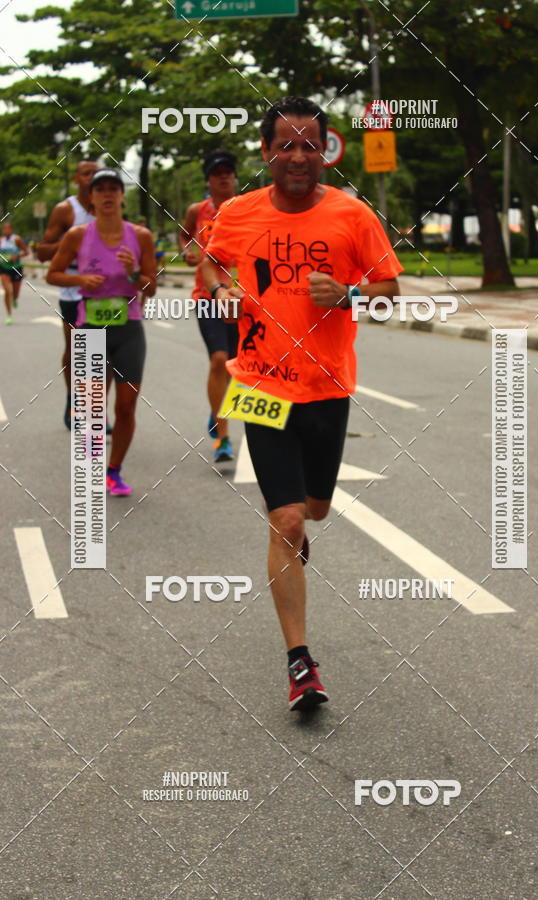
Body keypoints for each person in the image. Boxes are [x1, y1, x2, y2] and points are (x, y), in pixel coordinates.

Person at [202, 97, 401, 712]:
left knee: (314, 511)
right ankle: (300, 663)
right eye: (285, 145)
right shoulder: (237, 214)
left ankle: (298, 528)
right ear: (266, 154)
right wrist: (221, 286)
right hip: (260, 386)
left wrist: (346, 293)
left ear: (324, 153)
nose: (297, 156)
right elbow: (209, 264)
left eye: (308, 145)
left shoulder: (352, 215)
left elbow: (389, 292)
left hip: (328, 388)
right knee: (284, 519)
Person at [46, 168, 156, 496]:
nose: (107, 195)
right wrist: (79, 280)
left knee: (125, 406)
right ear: (91, 198)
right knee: (94, 407)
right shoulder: (78, 235)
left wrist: (133, 272)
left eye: (113, 189)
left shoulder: (140, 236)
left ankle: (114, 471)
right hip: (90, 325)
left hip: (129, 327)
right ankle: (93, 469)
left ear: (122, 196)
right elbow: (52, 274)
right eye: (101, 190)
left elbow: (150, 289)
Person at [180, 149, 238, 463]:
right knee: (218, 359)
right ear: (209, 180)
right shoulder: (197, 210)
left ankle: (217, 414)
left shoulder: (247, 208)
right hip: (207, 296)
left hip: (241, 299)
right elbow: (185, 237)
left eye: (229, 171)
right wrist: (188, 251)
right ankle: (224, 440)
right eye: (218, 173)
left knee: (234, 364)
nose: (225, 176)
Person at [37, 159, 99, 428]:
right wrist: (71, 239)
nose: (92, 179)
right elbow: (42, 252)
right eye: (86, 174)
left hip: (103, 290)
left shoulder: (109, 207)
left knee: (100, 352)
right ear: (77, 178)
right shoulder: (65, 210)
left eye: (96, 174)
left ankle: (93, 408)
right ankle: (73, 400)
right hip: (72, 288)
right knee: (77, 349)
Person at [0, 222, 28, 324]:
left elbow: (26, 252)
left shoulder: (17, 239)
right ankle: (9, 315)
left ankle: (15, 299)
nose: (5, 230)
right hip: (4, 268)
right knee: (7, 291)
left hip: (16, 268)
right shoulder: (1, 240)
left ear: (11, 229)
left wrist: (17, 255)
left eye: (7, 228)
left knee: (15, 294)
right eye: (4, 228)